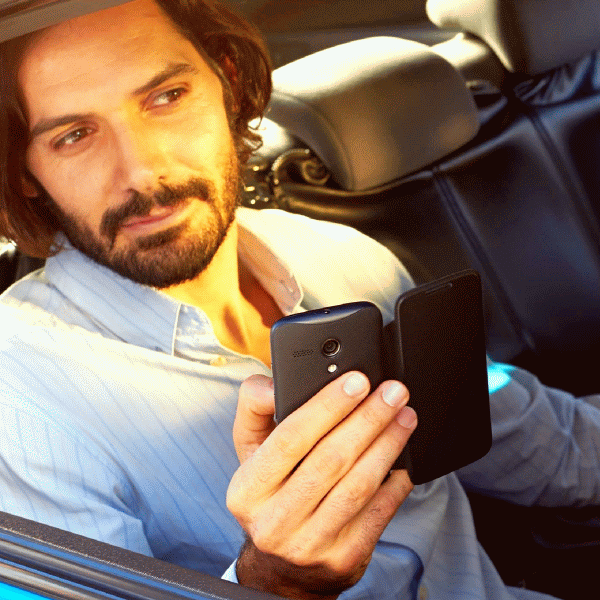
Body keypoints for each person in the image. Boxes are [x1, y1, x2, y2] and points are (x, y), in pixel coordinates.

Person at [0, 1, 598, 599]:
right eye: (73, 135)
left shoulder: (349, 257)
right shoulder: (20, 404)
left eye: (168, 97)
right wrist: (276, 582)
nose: (141, 171)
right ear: (23, 170)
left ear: (229, 80)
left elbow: (536, 442)